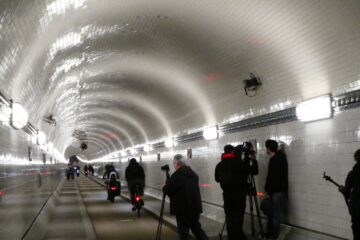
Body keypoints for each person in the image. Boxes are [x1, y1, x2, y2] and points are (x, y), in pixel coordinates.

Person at [215, 144, 257, 240]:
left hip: (226, 195)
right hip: (239, 194)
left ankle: (231, 237)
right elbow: (254, 171)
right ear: (232, 152)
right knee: (238, 216)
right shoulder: (238, 163)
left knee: (229, 216)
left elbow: (217, 179)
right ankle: (238, 237)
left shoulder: (219, 165)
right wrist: (253, 159)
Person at [163, 154, 209, 240]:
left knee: (183, 232)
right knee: (196, 229)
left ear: (177, 163)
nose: (173, 165)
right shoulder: (193, 174)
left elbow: (168, 190)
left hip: (182, 209)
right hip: (194, 208)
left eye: (174, 163)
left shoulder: (176, 176)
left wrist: (165, 186)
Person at [264, 139, 288, 240]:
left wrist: (268, 189)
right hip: (279, 191)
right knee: (275, 214)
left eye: (266, 147)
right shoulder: (280, 157)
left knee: (276, 216)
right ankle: (272, 235)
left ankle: (274, 236)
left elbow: (274, 177)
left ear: (269, 148)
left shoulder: (276, 160)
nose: (266, 149)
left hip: (277, 191)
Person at [339, 149, 360, 240]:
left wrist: (342, 189)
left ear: (355, 158)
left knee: (357, 232)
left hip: (357, 210)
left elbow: (346, 191)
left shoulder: (353, 173)